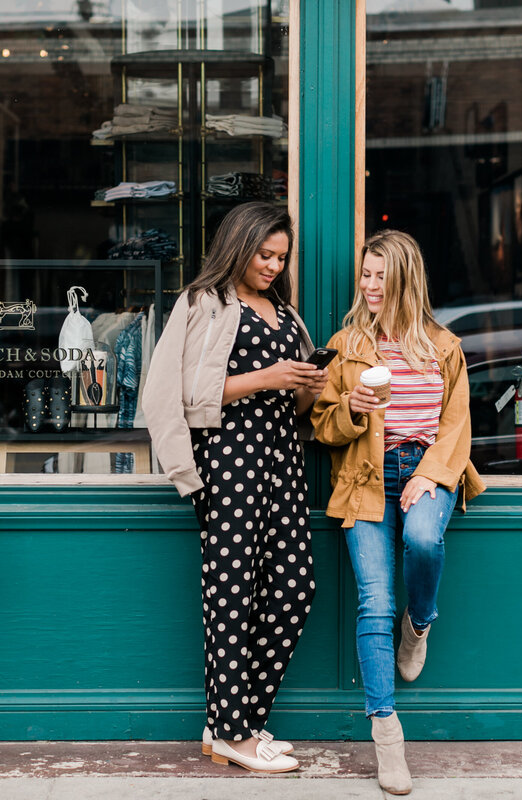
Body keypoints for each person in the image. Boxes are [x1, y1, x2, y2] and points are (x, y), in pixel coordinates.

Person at [142, 201, 328, 774]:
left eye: (281, 257)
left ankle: (235, 720)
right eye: (263, 254)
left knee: (296, 588)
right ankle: (233, 733)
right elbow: (168, 393)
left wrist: (309, 384)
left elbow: (295, 405)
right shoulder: (202, 303)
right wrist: (266, 378)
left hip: (283, 464)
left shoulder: (286, 315)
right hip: (227, 463)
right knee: (232, 594)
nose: (273, 265)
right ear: (238, 245)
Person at [311, 230, 485, 795]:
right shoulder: (347, 344)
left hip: (425, 470)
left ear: (406, 278)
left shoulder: (443, 346)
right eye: (365, 274)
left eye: (380, 275)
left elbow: (456, 426)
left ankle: (421, 624)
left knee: (425, 541)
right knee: (375, 600)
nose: (369, 284)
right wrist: (351, 409)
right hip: (366, 479)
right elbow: (322, 426)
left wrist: (431, 474)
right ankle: (387, 735)